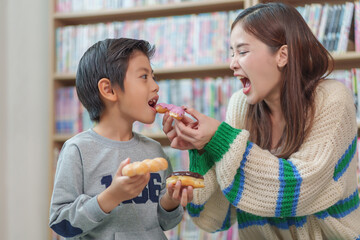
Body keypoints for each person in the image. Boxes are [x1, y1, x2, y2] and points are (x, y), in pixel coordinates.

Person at [161, 2, 360, 239]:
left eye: (242, 51)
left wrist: (220, 139)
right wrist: (203, 148)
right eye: (231, 52)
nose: (232, 63)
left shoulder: (333, 99)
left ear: (282, 55)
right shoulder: (241, 105)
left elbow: (302, 188)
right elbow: (214, 218)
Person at [49, 38, 193, 239]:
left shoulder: (154, 150)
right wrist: (111, 196)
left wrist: (170, 201)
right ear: (108, 90)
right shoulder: (77, 150)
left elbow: (165, 222)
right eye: (144, 76)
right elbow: (60, 223)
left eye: (153, 76)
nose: (156, 86)